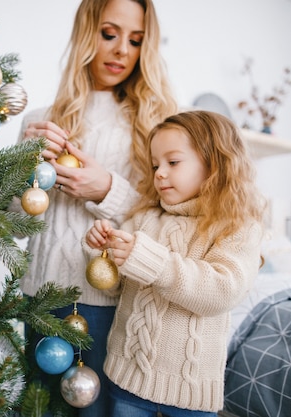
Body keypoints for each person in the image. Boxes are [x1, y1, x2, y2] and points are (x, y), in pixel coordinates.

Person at [15, 0, 177, 415]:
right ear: (87, 34)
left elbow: (166, 226)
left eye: (136, 40)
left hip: (112, 305)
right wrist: (25, 168)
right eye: (109, 33)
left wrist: (106, 189)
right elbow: (14, 225)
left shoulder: (154, 126)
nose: (122, 50)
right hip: (39, 298)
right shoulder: (39, 121)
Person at [83, 110, 266, 416]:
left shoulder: (236, 227)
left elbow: (223, 290)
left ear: (214, 162)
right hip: (126, 379)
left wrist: (154, 264)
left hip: (189, 392)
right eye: (155, 165)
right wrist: (102, 254)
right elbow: (113, 287)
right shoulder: (144, 219)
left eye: (173, 162)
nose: (159, 173)